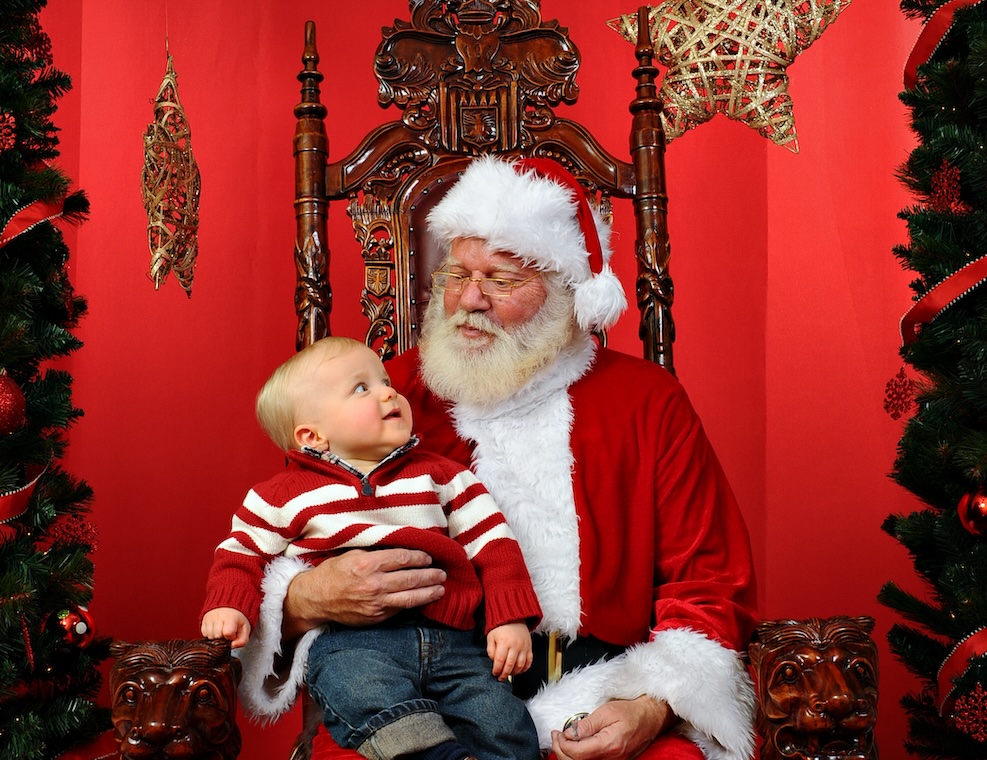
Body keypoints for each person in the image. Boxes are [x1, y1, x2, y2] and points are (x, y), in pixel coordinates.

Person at [237, 156, 759, 760]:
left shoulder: (648, 401)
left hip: (598, 700)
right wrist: (304, 599)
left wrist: (652, 704)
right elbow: (286, 528)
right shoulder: (388, 398)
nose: (469, 300)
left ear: (566, 290)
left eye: (502, 280)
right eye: (456, 273)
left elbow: (708, 580)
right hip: (415, 706)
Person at [200, 335, 542, 760]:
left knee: (501, 719)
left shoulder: (443, 476)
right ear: (313, 436)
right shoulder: (282, 496)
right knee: (358, 690)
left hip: (454, 641)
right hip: (354, 643)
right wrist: (228, 605)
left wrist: (508, 620)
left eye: (385, 381)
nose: (388, 392)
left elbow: (494, 544)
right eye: (361, 388)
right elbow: (240, 554)